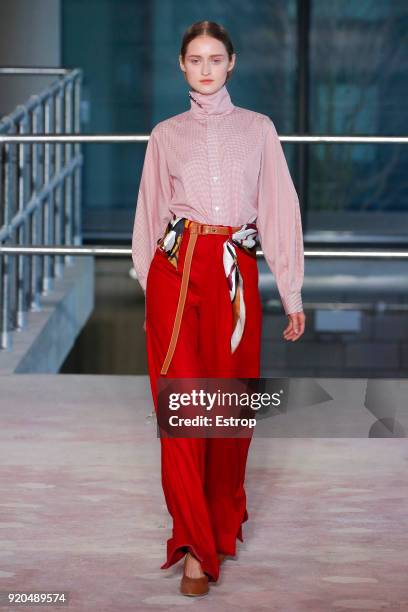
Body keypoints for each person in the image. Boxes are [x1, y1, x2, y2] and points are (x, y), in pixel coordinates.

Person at [131, 20, 306, 597]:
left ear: (232, 64)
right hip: (176, 276)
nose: (205, 68)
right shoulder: (165, 134)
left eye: (215, 58)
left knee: (228, 413)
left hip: (234, 274)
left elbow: (280, 210)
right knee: (180, 415)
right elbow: (150, 214)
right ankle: (193, 547)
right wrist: (148, 287)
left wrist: (292, 290)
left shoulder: (258, 130)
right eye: (195, 59)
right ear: (181, 65)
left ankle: (220, 520)